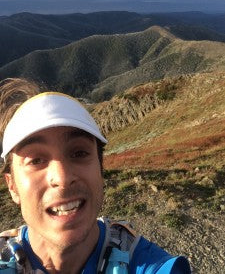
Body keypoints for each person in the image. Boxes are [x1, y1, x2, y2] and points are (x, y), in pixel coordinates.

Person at [0, 78, 191, 273]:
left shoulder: (151, 266)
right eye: (36, 160)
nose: (62, 178)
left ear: (101, 169)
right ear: (12, 186)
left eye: (79, 153)